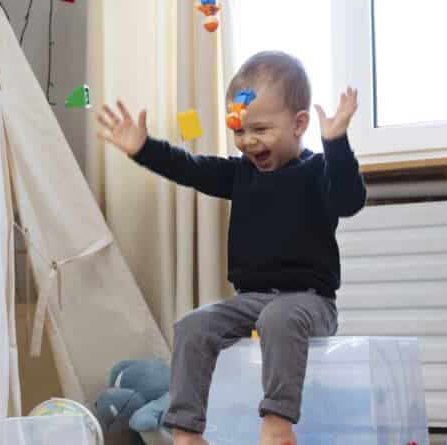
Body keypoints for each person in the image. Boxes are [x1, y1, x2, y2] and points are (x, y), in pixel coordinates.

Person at [95, 50, 365, 445]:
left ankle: (277, 423)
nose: (248, 141)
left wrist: (337, 143)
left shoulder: (317, 172)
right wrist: (144, 148)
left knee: (279, 318)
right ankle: (186, 430)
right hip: (252, 300)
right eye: (239, 131)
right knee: (192, 325)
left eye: (260, 130)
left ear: (299, 123)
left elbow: (349, 200)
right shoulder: (241, 174)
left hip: (310, 302)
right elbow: (189, 167)